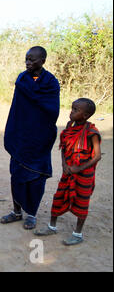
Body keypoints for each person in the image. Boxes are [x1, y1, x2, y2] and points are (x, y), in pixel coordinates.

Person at [0, 46, 60, 230]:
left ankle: (32, 214)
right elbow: (17, 108)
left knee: (36, 177)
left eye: (32, 60)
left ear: (43, 61)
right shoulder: (22, 79)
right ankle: (17, 212)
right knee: (16, 174)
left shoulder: (50, 82)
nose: (28, 63)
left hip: (39, 137)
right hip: (21, 135)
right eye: (26, 59)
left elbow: (52, 109)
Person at [34, 98, 101, 245]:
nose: (72, 112)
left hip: (84, 175)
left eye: (76, 110)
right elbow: (63, 146)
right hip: (68, 171)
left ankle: (77, 234)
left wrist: (79, 168)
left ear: (86, 115)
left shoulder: (92, 132)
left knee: (82, 202)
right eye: (72, 108)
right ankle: (52, 226)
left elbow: (97, 156)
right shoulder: (70, 127)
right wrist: (64, 164)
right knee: (58, 196)